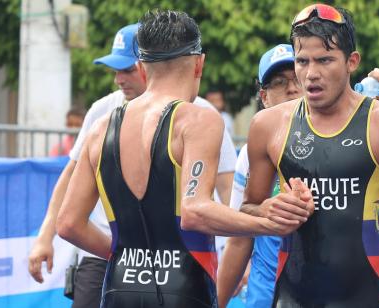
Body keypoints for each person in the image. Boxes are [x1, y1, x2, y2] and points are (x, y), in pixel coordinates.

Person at [56, 10, 313, 307]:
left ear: (141, 68)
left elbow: (68, 224)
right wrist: (269, 224)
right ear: (198, 63)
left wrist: (123, 255)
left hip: (118, 286)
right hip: (183, 287)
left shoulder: (102, 127)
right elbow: (194, 211)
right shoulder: (197, 120)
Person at [28, 22, 237, 308]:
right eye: (114, 70)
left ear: (143, 67)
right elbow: (69, 179)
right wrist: (44, 236)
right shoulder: (104, 110)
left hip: (124, 269)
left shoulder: (196, 115)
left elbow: (227, 186)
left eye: (126, 70)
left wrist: (125, 255)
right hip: (127, 259)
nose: (118, 79)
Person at [238, 4, 379, 307]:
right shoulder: (267, 125)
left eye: (325, 60)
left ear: (351, 61)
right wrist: (270, 210)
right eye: (302, 61)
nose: (311, 74)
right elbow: (248, 210)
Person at [218, 42, 379, 307]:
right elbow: (239, 238)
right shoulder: (252, 153)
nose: (292, 87)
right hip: (268, 296)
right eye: (278, 82)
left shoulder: (353, 137)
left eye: (296, 76)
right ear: (264, 97)